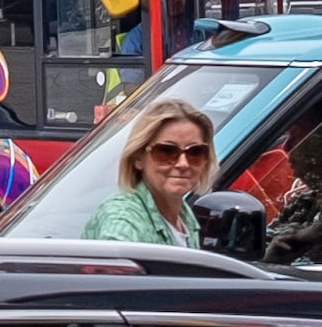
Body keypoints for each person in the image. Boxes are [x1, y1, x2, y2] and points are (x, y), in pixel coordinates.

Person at [80, 100, 220, 245]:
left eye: (195, 152)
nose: (183, 163)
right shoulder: (123, 219)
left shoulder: (185, 216)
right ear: (138, 158)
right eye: (166, 151)